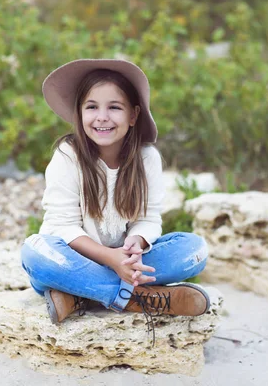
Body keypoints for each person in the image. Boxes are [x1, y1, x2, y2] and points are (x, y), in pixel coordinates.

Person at [20, 59, 210, 336]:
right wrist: (111, 259)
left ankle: (79, 296)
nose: (102, 117)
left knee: (194, 249)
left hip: (125, 262)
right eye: (92, 106)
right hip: (73, 261)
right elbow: (62, 225)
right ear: (79, 113)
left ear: (133, 115)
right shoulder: (67, 156)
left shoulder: (147, 159)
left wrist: (138, 240)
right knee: (35, 253)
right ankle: (138, 299)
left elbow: (148, 218)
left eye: (114, 107)